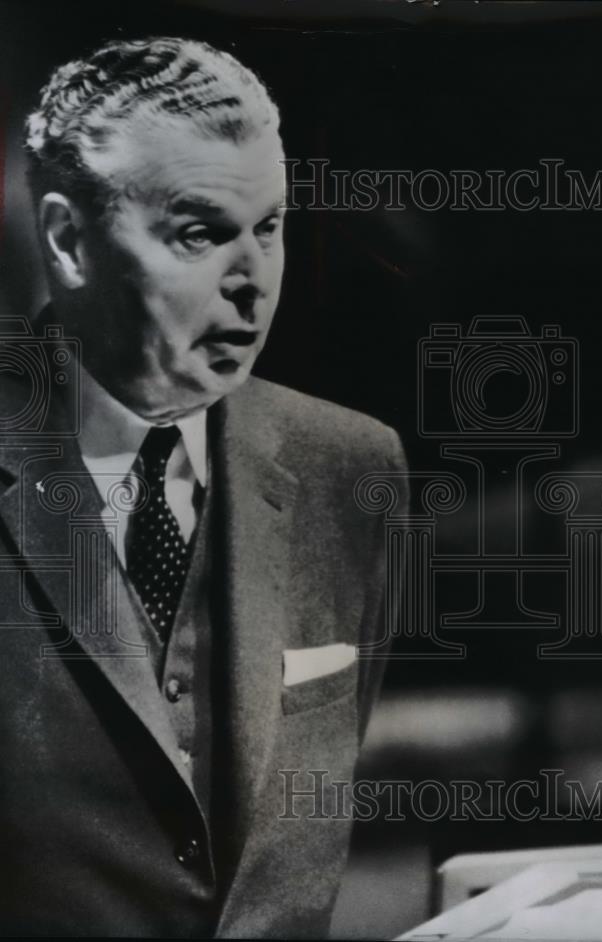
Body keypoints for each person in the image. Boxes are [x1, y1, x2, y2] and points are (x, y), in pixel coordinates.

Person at [0, 36, 404, 937]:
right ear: (69, 241)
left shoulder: (350, 465)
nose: (253, 283)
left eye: (270, 227)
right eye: (200, 233)